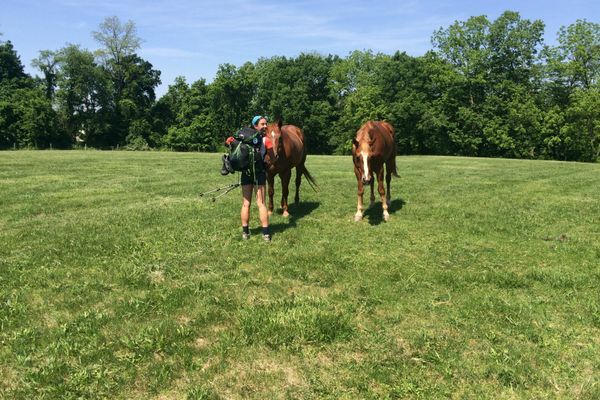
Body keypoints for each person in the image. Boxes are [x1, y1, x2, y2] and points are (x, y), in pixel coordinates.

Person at [225, 116, 273, 241]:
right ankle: (266, 234)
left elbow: (229, 142)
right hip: (259, 174)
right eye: (262, 124)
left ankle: (245, 233)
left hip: (245, 173)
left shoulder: (243, 139)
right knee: (261, 204)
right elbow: (272, 158)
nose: (265, 126)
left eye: (266, 124)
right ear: (255, 126)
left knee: (246, 204)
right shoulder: (266, 140)